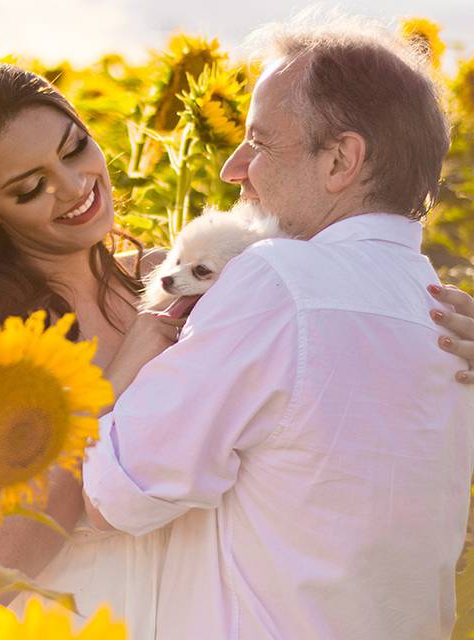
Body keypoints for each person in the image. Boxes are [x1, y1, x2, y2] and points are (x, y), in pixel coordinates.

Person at [0, 59, 474, 635]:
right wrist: (115, 382)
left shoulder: (197, 279)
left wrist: (433, 337)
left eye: (76, 148)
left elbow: (332, 382)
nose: (76, 186)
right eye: (31, 187)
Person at [82, 13, 474, 640]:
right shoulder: (442, 311)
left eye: (260, 143)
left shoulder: (277, 282)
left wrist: (125, 362)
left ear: (341, 160)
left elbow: (117, 492)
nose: (233, 170)